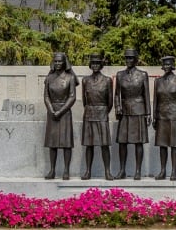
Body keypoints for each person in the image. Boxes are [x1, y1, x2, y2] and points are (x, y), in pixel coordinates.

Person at [113, 48, 151, 180]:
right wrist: (117, 106)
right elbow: (117, 94)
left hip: (138, 110)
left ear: (136, 59)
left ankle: (138, 171)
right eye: (126, 58)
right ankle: (122, 170)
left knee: (138, 142)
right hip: (124, 110)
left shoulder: (142, 75)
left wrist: (148, 113)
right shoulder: (119, 75)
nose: (128, 60)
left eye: (131, 58)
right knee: (122, 142)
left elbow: (146, 95)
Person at [43, 51, 77, 180]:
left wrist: (61, 111)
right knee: (52, 143)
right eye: (55, 61)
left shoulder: (70, 78)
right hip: (52, 111)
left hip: (65, 112)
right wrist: (51, 110)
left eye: (60, 61)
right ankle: (52, 170)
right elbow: (46, 96)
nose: (57, 63)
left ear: (64, 63)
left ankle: (66, 170)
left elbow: (72, 97)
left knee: (66, 143)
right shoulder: (49, 77)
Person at [80, 51, 113, 181]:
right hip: (89, 113)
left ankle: (107, 171)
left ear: (101, 65)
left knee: (104, 145)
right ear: (90, 64)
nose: (95, 65)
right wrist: (91, 109)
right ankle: (88, 171)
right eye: (93, 63)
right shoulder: (85, 80)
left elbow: (110, 101)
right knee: (89, 144)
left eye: (97, 63)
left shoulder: (107, 80)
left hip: (102, 112)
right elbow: (84, 100)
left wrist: (104, 111)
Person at [152, 55, 176, 181]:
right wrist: (154, 117)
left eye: (168, 64)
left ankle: (174, 171)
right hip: (161, 115)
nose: (166, 67)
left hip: (174, 115)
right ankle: (162, 171)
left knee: (174, 144)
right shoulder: (158, 81)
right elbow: (155, 100)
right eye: (164, 64)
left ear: (172, 66)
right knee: (162, 144)